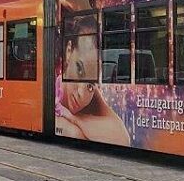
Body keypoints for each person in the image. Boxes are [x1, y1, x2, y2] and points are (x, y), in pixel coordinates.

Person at [55, 16, 130, 145]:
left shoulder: (91, 93)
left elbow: (123, 138)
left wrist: (75, 119)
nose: (81, 93)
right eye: (79, 70)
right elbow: (75, 134)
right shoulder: (51, 85)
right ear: (68, 52)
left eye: (90, 85)